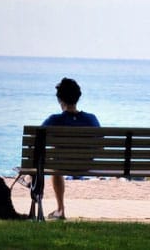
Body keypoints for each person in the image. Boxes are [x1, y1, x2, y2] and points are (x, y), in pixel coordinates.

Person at [41, 77, 100, 219]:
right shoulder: (91, 119)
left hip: (61, 165)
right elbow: (100, 145)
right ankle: (60, 209)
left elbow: (36, 143)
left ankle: (60, 209)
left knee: (55, 164)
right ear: (77, 98)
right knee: (56, 161)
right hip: (86, 166)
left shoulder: (54, 120)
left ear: (60, 99)